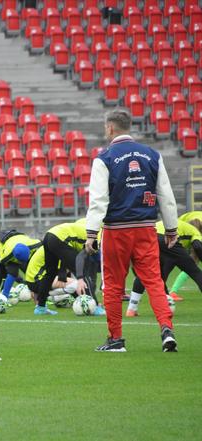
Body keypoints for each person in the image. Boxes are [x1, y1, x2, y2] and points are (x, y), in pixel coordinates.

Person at [85, 108, 179, 353]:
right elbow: (166, 196)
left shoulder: (104, 158)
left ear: (110, 128)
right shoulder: (152, 155)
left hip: (117, 230)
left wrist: (91, 233)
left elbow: (98, 200)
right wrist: (171, 228)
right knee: (154, 281)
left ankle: (115, 339)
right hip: (147, 228)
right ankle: (166, 329)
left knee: (114, 285)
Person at [126, 219, 202, 316]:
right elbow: (198, 246)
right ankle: (165, 305)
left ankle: (132, 309)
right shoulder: (195, 231)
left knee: (147, 272)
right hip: (167, 238)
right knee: (195, 272)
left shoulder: (182, 222)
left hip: (148, 236)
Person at [35, 221, 106, 315]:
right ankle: (95, 307)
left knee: (50, 273)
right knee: (83, 271)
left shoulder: (96, 229)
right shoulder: (99, 237)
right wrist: (80, 277)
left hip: (50, 235)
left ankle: (40, 308)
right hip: (59, 238)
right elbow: (80, 257)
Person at [168, 211, 202, 301]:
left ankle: (173, 292)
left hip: (179, 234)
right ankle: (173, 292)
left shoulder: (184, 223)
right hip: (179, 235)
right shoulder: (185, 225)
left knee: (191, 264)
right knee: (191, 264)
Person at [0, 233, 41, 298]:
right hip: (10, 247)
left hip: (22, 239)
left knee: (33, 270)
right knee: (12, 272)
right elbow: (2, 267)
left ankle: (42, 292)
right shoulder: (6, 256)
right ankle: (5, 296)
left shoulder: (35, 243)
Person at [0, 229, 23, 294]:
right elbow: (4, 261)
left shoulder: (22, 244)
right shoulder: (8, 246)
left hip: (9, 249)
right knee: (0, 268)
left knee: (9, 269)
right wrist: (18, 277)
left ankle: (3, 291)